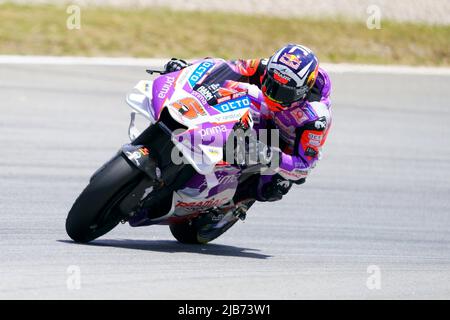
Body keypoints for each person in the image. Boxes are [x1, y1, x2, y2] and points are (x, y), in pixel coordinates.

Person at [164, 44, 332, 205]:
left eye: (283, 92)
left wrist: (268, 154)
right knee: (224, 91)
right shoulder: (266, 67)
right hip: (264, 113)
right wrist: (187, 68)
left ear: (304, 89)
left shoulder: (315, 117)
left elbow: (305, 165)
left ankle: (231, 205)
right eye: (270, 83)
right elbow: (226, 67)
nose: (272, 93)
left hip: (286, 143)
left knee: (270, 187)